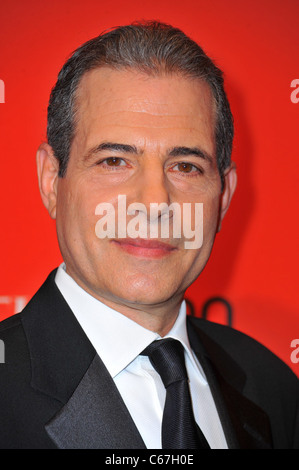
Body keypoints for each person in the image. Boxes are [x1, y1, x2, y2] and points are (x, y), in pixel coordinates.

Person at [0, 21, 298, 450]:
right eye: (114, 160)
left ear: (224, 195)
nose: (155, 202)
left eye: (186, 167)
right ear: (52, 180)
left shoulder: (271, 388)